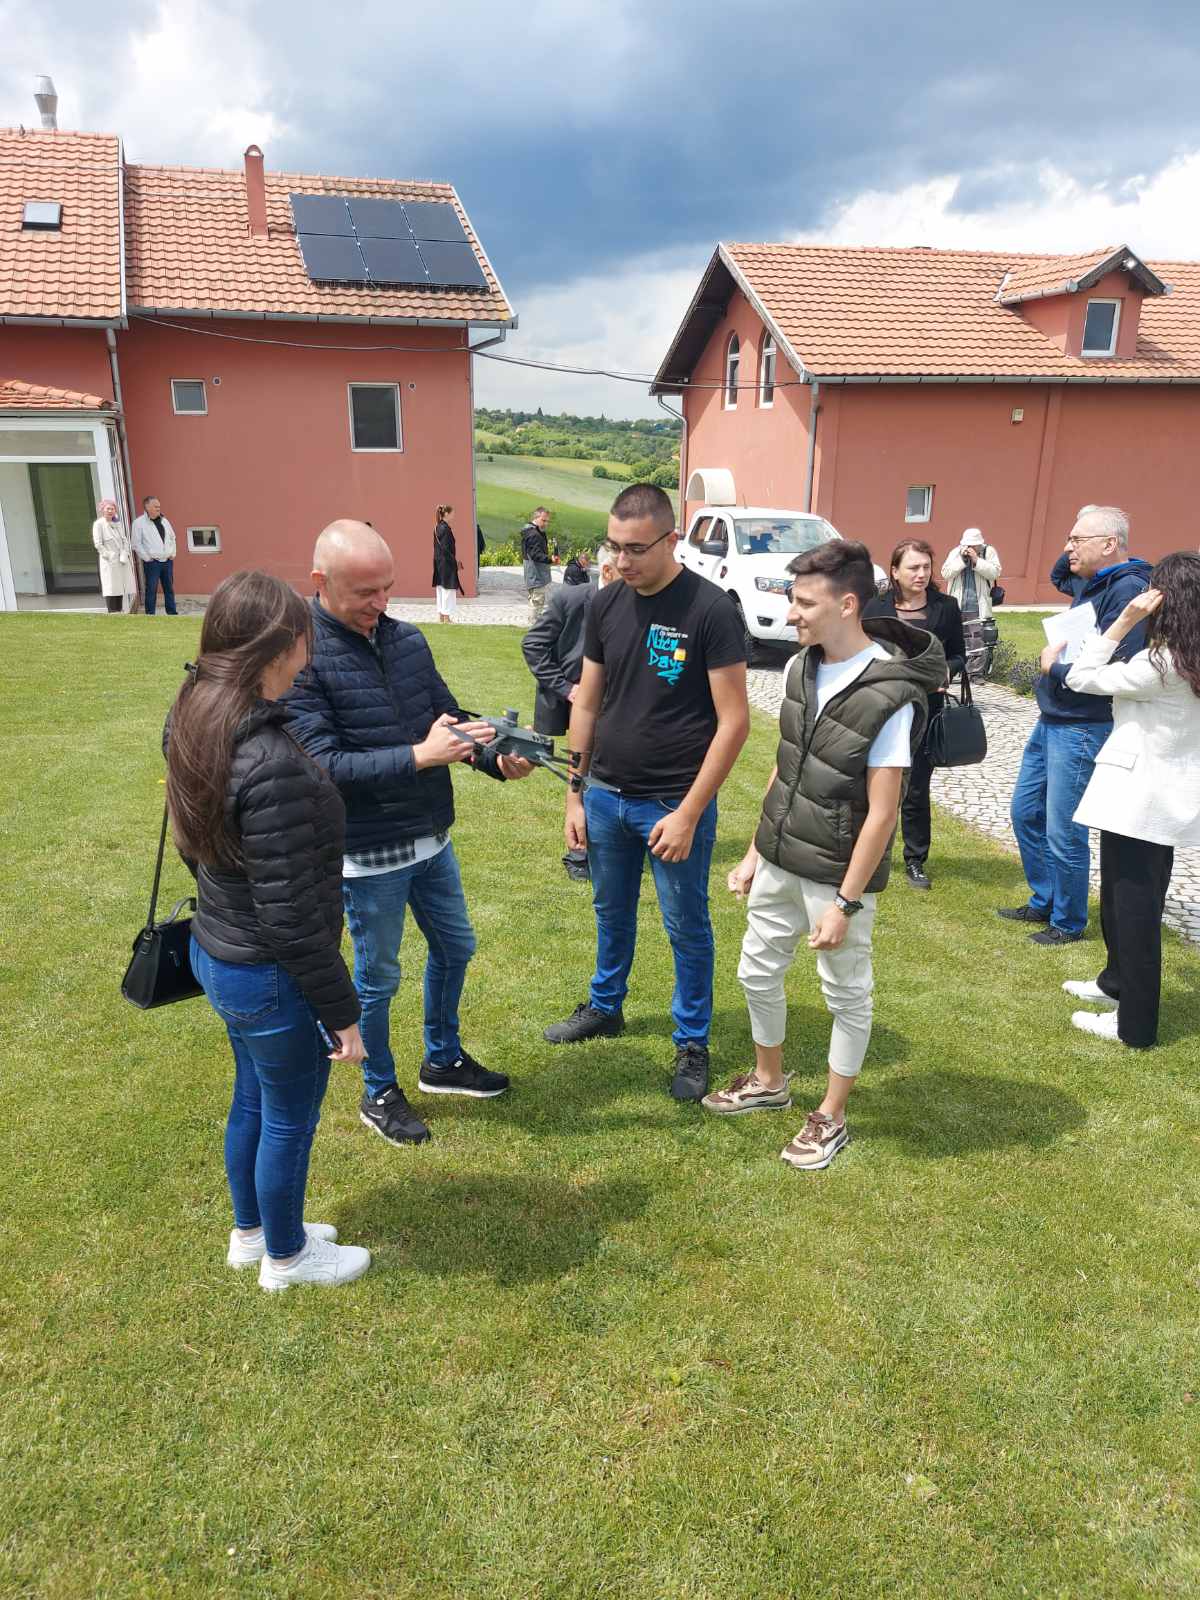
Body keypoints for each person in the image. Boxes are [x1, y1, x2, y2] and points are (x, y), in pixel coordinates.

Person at [285, 520, 534, 1148]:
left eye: (387, 588)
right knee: (378, 978)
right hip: (368, 854)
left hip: (431, 839)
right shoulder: (299, 657)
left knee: (457, 948)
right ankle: (378, 1090)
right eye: (365, 592)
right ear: (320, 582)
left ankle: (441, 1060)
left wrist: (493, 756)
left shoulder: (407, 641)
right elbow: (323, 767)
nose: (381, 602)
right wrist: (421, 756)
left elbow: (446, 721)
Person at [702, 540, 945, 1170]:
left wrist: (845, 903)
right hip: (779, 859)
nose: (791, 614)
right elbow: (786, 768)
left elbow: (884, 812)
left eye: (804, 603)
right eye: (793, 600)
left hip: (836, 877)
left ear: (847, 604)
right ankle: (769, 1081)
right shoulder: (798, 668)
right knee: (755, 973)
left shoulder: (891, 694)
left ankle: (831, 1116)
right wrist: (755, 852)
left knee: (846, 995)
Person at [165, 570, 371, 1292]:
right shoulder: (270, 761)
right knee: (288, 1116)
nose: (308, 656)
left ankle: (251, 1234)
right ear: (277, 648)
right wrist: (342, 1014)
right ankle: (287, 1257)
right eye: (303, 642)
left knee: (253, 1097)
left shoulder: (194, 711)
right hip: (265, 970)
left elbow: (197, 844)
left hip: (219, 950)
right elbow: (291, 918)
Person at [542, 484, 750, 1101]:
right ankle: (605, 1006)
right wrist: (575, 794)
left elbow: (734, 722)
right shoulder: (606, 604)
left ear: (671, 539)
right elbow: (587, 700)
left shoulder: (710, 609)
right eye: (614, 546)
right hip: (605, 795)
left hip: (672, 803)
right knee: (610, 910)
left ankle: (692, 1040)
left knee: (686, 925)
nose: (621, 560)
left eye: (635, 548)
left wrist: (689, 813)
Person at [1058, 552, 1200, 1046]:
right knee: (1122, 901)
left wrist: (1123, 620)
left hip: (1142, 801)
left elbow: (1080, 676)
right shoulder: (1186, 659)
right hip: (1154, 801)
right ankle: (1114, 982)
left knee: (1135, 915)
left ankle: (1134, 1027)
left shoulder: (1161, 663)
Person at [999, 506, 1152, 944]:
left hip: (1083, 722)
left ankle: (1067, 921)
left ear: (1109, 544)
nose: (1068, 549)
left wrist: (1058, 670)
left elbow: (1118, 661)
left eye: (1077, 540)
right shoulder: (1093, 579)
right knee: (1025, 812)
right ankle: (1045, 898)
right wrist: (1083, 523)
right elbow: (1058, 574)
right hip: (1054, 715)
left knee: (1064, 828)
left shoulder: (1128, 589)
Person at [863, 538, 963, 891]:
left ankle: (915, 859)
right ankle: (868, 853)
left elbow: (958, 654)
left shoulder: (946, 608)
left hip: (926, 709)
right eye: (913, 567)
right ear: (894, 571)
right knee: (873, 783)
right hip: (882, 708)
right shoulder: (875, 608)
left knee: (917, 787)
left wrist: (946, 671)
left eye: (926, 567)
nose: (921, 574)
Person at [522, 541, 620, 881]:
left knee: (603, 774)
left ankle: (603, 847)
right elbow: (533, 645)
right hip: (578, 706)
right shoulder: (571, 599)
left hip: (614, 705)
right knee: (583, 774)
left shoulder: (634, 606)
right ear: (607, 571)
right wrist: (567, 688)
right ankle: (579, 855)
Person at [941, 528, 1002, 678]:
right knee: (959, 639)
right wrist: (962, 561)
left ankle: (976, 673)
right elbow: (945, 574)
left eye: (973, 546)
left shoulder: (988, 552)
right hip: (958, 604)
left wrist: (977, 561)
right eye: (968, 545)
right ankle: (959, 670)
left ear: (979, 544)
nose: (970, 548)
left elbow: (995, 573)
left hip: (978, 604)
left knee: (978, 641)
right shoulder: (955, 553)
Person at [130, 495, 179, 616]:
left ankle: (172, 613)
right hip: (152, 563)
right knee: (151, 589)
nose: (158, 508)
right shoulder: (138, 523)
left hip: (167, 561)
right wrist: (147, 558)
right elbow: (136, 544)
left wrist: (173, 553)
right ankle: (150, 614)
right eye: (155, 506)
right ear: (147, 507)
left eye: (159, 506)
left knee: (169, 588)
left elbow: (173, 537)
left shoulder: (164, 520)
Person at [91, 499, 135, 613]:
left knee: (120, 586)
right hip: (109, 561)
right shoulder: (99, 524)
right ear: (103, 510)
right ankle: (112, 611)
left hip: (121, 560)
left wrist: (125, 553)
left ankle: (119, 610)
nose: (110, 511)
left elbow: (124, 540)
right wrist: (109, 556)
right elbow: (98, 544)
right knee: (111, 587)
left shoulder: (117, 523)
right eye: (108, 509)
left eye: (113, 509)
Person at [432, 503, 463, 623]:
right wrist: (454, 562)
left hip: (439, 562)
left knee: (441, 589)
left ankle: (441, 615)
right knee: (447, 590)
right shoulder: (445, 529)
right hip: (446, 564)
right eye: (452, 513)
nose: (453, 516)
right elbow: (446, 549)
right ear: (446, 514)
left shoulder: (437, 527)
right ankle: (446, 617)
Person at [520, 507, 552, 621]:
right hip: (536, 573)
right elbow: (535, 555)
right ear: (536, 517)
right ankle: (534, 624)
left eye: (547, 521)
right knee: (537, 601)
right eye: (544, 520)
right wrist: (550, 559)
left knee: (535, 599)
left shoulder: (534, 531)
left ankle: (534, 622)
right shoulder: (533, 534)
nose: (546, 523)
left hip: (534, 573)